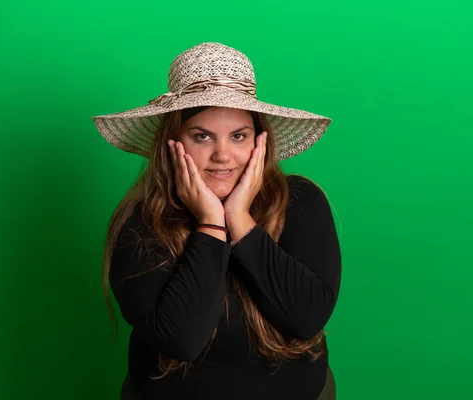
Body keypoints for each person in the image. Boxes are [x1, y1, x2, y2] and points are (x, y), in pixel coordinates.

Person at [92, 42, 342, 400]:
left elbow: (306, 318)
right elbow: (181, 339)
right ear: (172, 143)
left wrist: (240, 220)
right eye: (202, 136)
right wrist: (211, 223)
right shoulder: (139, 223)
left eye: (238, 136)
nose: (222, 155)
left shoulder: (300, 202)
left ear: (259, 142)